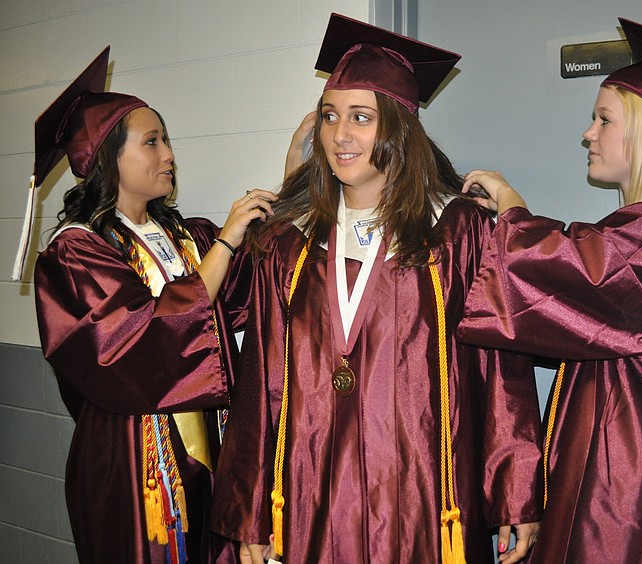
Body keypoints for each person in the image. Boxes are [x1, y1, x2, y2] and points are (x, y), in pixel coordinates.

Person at [211, 13, 543, 564]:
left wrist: (515, 491)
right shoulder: (286, 243)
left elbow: (499, 368)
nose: (340, 135)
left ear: (398, 128)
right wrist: (251, 508)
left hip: (422, 492)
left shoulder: (455, 230)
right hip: (311, 490)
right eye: (329, 117)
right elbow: (262, 380)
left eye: (361, 118)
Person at [457, 18, 642, 564]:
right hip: (612, 484)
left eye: (603, 119)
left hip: (635, 503)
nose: (588, 133)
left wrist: (512, 213)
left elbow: (579, 270)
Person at [28, 47, 276, 564]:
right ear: (106, 159)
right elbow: (142, 336)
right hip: (134, 464)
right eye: (152, 142)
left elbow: (252, 288)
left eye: (166, 140)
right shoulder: (75, 252)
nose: (169, 156)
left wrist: (299, 167)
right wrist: (227, 243)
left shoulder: (185, 237)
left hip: (208, 446)